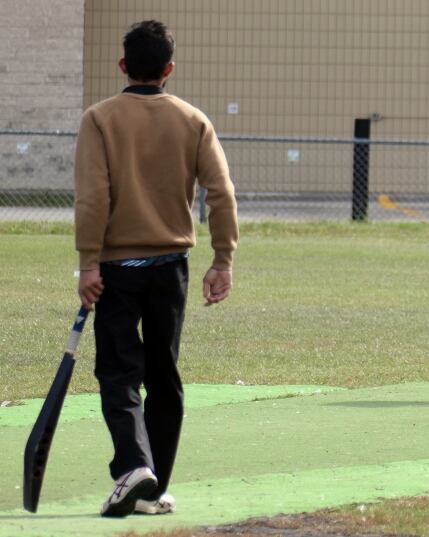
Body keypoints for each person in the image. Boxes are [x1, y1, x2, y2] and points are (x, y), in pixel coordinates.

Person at [74, 20, 239, 516]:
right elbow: (221, 192)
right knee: (164, 375)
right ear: (169, 69)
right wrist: (222, 259)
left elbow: (93, 198)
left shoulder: (100, 118)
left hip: (118, 269)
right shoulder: (193, 120)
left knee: (119, 372)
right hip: (172, 269)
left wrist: (87, 262)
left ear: (123, 65)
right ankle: (155, 485)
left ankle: (133, 466)